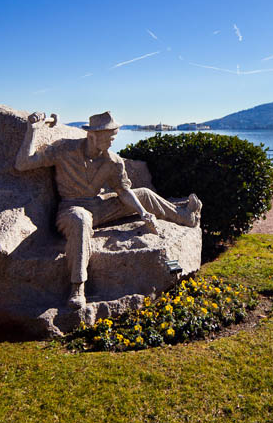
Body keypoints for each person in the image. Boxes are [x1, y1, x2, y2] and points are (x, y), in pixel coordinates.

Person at [15, 111, 201, 307]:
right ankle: (77, 287)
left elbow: (123, 191)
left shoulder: (112, 161)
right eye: (110, 137)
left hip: (98, 207)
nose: (113, 141)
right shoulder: (64, 149)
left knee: (144, 194)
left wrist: (142, 212)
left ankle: (185, 216)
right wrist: (32, 130)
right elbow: (23, 163)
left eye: (114, 137)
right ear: (93, 135)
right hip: (71, 209)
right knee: (80, 220)